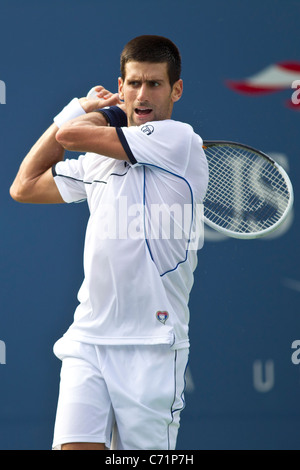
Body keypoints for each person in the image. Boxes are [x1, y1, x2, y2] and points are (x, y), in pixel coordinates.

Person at [10, 35, 209, 451]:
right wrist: (80, 110)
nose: (142, 94)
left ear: (177, 90)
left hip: (153, 346)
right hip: (89, 339)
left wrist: (99, 113)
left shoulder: (180, 140)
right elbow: (24, 186)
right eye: (133, 84)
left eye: (154, 84)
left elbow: (70, 138)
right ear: (121, 84)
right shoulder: (101, 161)